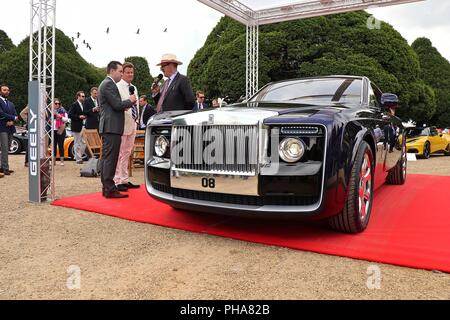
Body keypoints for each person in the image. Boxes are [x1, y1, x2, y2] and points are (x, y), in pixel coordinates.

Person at [98, 61, 136, 199]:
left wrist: (123, 105)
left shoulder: (106, 84)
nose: (121, 74)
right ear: (112, 71)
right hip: (111, 127)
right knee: (110, 159)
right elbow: (117, 104)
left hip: (110, 126)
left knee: (109, 158)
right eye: (120, 71)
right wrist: (130, 101)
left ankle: (107, 187)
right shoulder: (109, 84)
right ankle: (109, 188)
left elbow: (114, 105)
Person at [114, 62, 141, 192]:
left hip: (133, 122)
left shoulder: (134, 88)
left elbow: (136, 105)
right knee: (119, 153)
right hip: (122, 124)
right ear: (122, 73)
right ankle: (117, 180)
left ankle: (124, 179)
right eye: (128, 72)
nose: (130, 74)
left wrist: (138, 119)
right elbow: (118, 105)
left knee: (127, 152)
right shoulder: (117, 87)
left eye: (132, 72)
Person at [0, 84, 18, 176]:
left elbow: (16, 115)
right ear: (0, 91)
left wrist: (12, 121)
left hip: (10, 128)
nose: (6, 91)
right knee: (4, 148)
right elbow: (1, 114)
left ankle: (3, 166)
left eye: (7, 90)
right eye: (4, 90)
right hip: (2, 128)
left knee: (7, 148)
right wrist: (13, 118)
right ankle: (5, 168)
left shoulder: (11, 103)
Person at [68, 91, 87, 164]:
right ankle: (78, 159)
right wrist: (79, 117)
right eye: (82, 96)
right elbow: (70, 114)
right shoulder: (74, 104)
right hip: (76, 126)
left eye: (84, 96)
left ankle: (77, 156)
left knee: (84, 143)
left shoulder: (82, 104)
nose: (83, 98)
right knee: (77, 143)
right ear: (78, 96)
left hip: (82, 125)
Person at [52, 99, 68, 166]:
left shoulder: (63, 110)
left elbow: (66, 120)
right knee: (53, 146)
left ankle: (62, 161)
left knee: (61, 145)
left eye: (58, 103)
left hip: (61, 129)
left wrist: (59, 116)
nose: (57, 105)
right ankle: (54, 161)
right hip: (53, 129)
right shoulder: (50, 111)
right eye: (55, 103)